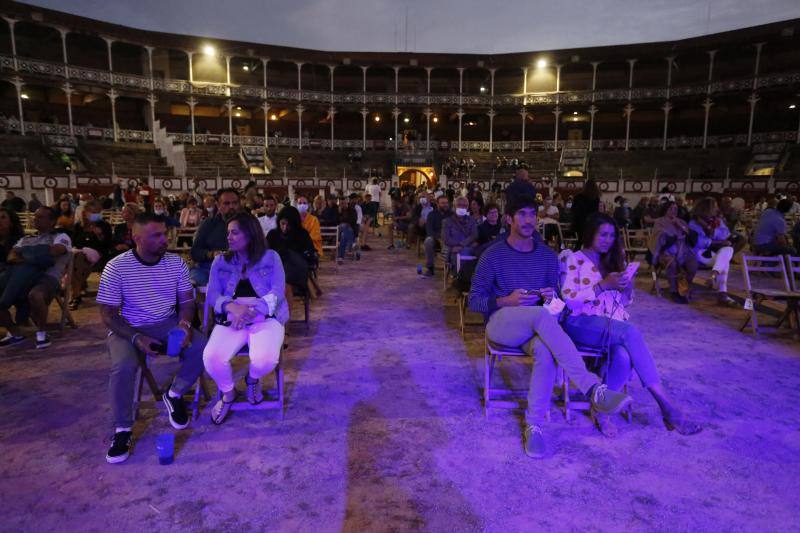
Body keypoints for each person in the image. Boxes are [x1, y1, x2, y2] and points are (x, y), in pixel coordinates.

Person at [468, 194, 632, 458]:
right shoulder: (493, 255)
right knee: (540, 318)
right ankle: (593, 388)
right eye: (521, 214)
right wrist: (505, 300)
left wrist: (551, 298)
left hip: (536, 327)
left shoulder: (546, 256)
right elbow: (474, 301)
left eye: (532, 214)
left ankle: (534, 426)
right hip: (502, 323)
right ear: (508, 218)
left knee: (545, 350)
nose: (529, 220)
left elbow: (559, 306)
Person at [561, 213, 702, 437]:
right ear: (590, 234)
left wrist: (626, 288)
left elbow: (625, 302)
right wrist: (602, 286)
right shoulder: (574, 259)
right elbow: (568, 299)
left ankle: (601, 412)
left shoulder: (613, 260)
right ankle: (667, 406)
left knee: (624, 357)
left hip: (610, 324)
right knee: (631, 332)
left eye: (612, 236)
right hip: (580, 321)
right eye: (603, 235)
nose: (608, 240)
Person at [97, 212, 206, 463]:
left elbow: (187, 303)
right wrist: (136, 338)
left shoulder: (176, 264)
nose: (164, 239)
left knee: (203, 348)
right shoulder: (116, 267)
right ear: (137, 238)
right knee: (123, 366)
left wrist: (185, 325)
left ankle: (174, 394)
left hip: (166, 322)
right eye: (156, 235)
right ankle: (122, 429)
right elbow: (108, 314)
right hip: (128, 327)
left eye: (164, 234)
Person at [203, 212, 288, 424]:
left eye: (234, 233)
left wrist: (251, 310)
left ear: (250, 235)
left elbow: (278, 291)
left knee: (265, 359)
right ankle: (228, 392)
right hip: (232, 315)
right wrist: (233, 307)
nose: (228, 237)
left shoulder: (271, 258)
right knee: (211, 357)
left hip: (266, 315)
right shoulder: (220, 262)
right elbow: (212, 294)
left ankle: (252, 379)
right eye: (228, 233)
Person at [0, 207, 72, 349]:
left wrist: (24, 255)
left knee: (35, 295)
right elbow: (11, 256)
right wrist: (36, 256)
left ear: (52, 221)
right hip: (21, 277)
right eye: (35, 216)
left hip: (48, 277)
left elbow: (54, 251)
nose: (35, 219)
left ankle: (42, 333)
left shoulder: (61, 236)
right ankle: (15, 333)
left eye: (40, 217)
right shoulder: (26, 239)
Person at [267, 206, 318, 314]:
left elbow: (311, 256)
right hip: (275, 272)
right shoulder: (272, 235)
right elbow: (265, 255)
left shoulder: (302, 234)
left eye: (288, 225)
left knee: (286, 284)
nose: (285, 228)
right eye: (283, 224)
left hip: (296, 272)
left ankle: (284, 323)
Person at [688, 198, 736, 306]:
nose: (717, 209)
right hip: (700, 253)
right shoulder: (694, 223)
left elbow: (725, 234)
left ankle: (714, 275)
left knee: (729, 250)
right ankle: (722, 293)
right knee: (725, 261)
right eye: (714, 206)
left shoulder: (716, 221)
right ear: (707, 208)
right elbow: (699, 242)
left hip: (714, 253)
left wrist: (710, 229)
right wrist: (717, 242)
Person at [648, 200, 698, 304]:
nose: (673, 211)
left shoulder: (681, 221)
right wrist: (670, 237)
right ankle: (674, 291)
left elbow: (690, 235)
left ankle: (683, 287)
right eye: (671, 208)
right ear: (665, 210)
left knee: (693, 264)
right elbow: (658, 236)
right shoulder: (660, 221)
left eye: (675, 209)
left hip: (683, 250)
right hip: (665, 251)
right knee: (672, 263)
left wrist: (680, 225)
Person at [190, 188, 240, 285]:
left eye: (235, 203)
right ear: (218, 205)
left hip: (239, 268)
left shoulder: (248, 224)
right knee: (193, 279)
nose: (231, 207)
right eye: (226, 203)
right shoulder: (208, 224)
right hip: (209, 268)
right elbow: (194, 252)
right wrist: (211, 254)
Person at [69, 199, 113, 309]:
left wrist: (99, 235)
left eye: (95, 212)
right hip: (79, 255)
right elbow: (73, 243)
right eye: (90, 211)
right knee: (77, 259)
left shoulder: (104, 225)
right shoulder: (79, 226)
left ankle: (75, 294)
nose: (92, 214)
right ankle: (77, 292)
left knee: (77, 262)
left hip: (97, 255)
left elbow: (107, 245)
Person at [442, 196, 478, 268]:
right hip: (452, 248)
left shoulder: (472, 220)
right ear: (454, 206)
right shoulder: (447, 221)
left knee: (465, 253)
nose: (462, 207)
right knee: (455, 254)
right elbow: (446, 238)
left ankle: (461, 275)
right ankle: (458, 275)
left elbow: (474, 235)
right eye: (459, 205)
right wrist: (457, 245)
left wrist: (461, 245)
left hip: (467, 248)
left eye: (464, 206)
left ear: (467, 208)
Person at [422, 195, 451, 277]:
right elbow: (429, 230)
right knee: (428, 241)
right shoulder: (432, 215)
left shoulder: (452, 214)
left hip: (449, 239)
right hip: (436, 239)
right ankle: (430, 268)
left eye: (446, 203)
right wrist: (439, 238)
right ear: (437, 204)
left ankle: (453, 270)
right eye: (442, 203)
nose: (445, 205)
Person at [569, 178, 600, 244]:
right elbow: (595, 212)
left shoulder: (578, 196)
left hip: (578, 222)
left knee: (580, 240)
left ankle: (577, 251)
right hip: (590, 223)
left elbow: (573, 209)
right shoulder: (595, 198)